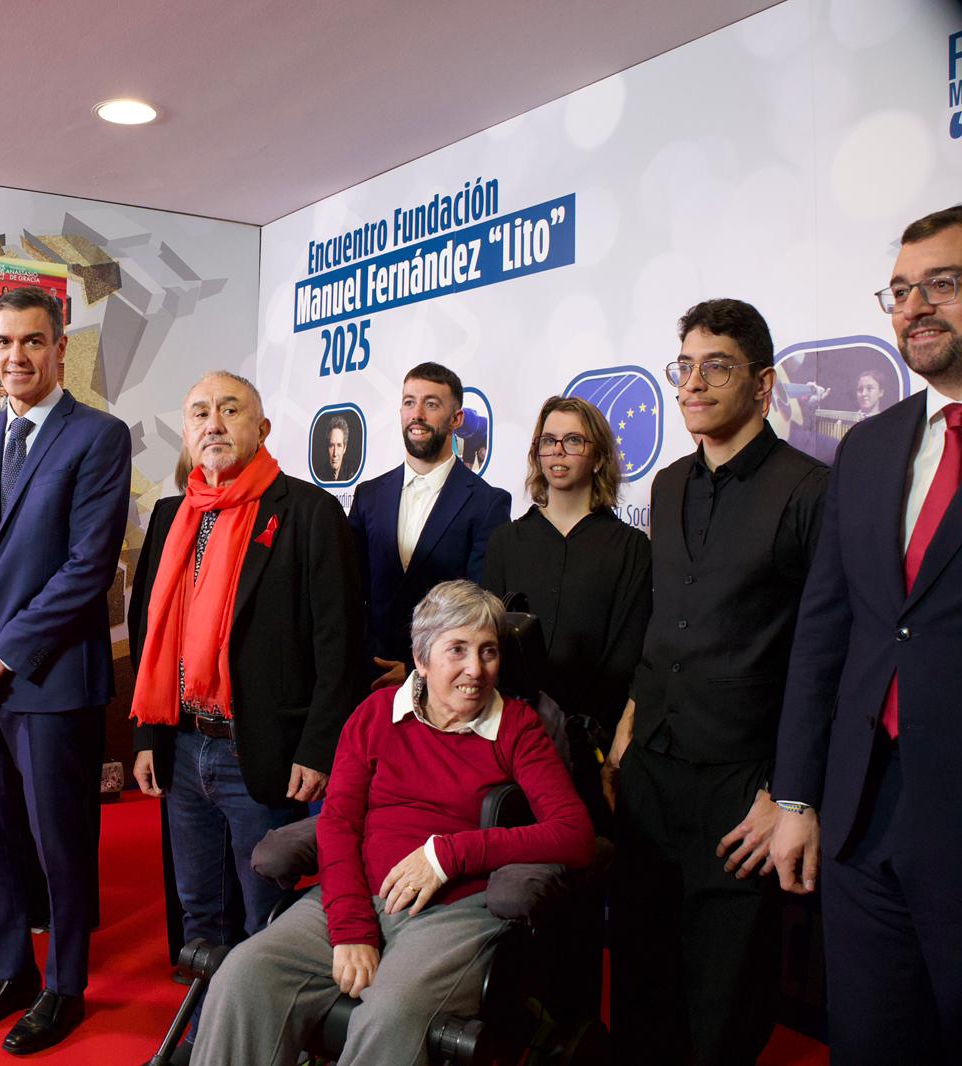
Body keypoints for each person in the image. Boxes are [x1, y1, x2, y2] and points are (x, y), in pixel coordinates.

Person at [191, 580, 594, 1065]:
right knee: (243, 975)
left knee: (391, 1013)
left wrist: (447, 854)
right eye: (457, 650)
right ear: (421, 658)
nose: (476, 669)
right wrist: (351, 929)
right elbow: (338, 823)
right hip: (357, 893)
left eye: (488, 651)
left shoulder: (517, 726)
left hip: (453, 913)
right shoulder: (376, 714)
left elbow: (574, 834)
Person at [605, 298, 828, 1066]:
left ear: (763, 385)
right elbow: (666, 620)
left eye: (717, 367)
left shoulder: (809, 490)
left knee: (722, 1004)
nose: (693, 383)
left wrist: (789, 794)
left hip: (743, 788)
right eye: (685, 366)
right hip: (651, 769)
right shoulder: (668, 484)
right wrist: (629, 727)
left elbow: (824, 656)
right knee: (639, 980)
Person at [771, 205, 962, 1063]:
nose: (914, 306)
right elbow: (825, 632)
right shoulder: (871, 447)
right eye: (899, 291)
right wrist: (797, 797)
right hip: (861, 819)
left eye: (941, 283)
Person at [0, 285, 130, 1053]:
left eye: (32, 342)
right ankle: (10, 970)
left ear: (60, 349)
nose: (16, 357)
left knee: (60, 845)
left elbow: (87, 568)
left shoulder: (99, 437)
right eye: (4, 342)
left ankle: (63, 985)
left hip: (49, 681)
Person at [129, 371, 363, 996]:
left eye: (229, 410)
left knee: (267, 919)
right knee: (199, 910)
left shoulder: (308, 512)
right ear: (187, 433)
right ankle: (207, 1027)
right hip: (182, 745)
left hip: (262, 751)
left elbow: (339, 646)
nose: (213, 423)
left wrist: (318, 748)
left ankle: (263, 1032)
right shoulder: (171, 516)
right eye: (200, 412)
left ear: (261, 428)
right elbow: (149, 629)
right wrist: (148, 735)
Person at [482, 396, 650, 830]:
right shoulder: (506, 542)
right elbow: (489, 644)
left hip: (593, 748)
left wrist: (590, 735)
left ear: (598, 457)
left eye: (573, 440)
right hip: (511, 743)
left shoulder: (631, 548)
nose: (558, 451)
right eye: (549, 441)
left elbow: (628, 650)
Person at [348, 362, 511, 692]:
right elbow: (350, 590)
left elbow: (478, 609)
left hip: (444, 684)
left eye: (431, 404)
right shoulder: (368, 495)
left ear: (456, 419)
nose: (417, 414)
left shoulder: (487, 503)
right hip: (368, 678)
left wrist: (416, 669)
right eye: (409, 402)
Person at [323, 413, 351, 482]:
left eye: (339, 445)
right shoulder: (320, 475)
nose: (335, 453)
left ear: (344, 448)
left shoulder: (351, 473)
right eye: (331, 446)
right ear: (327, 447)